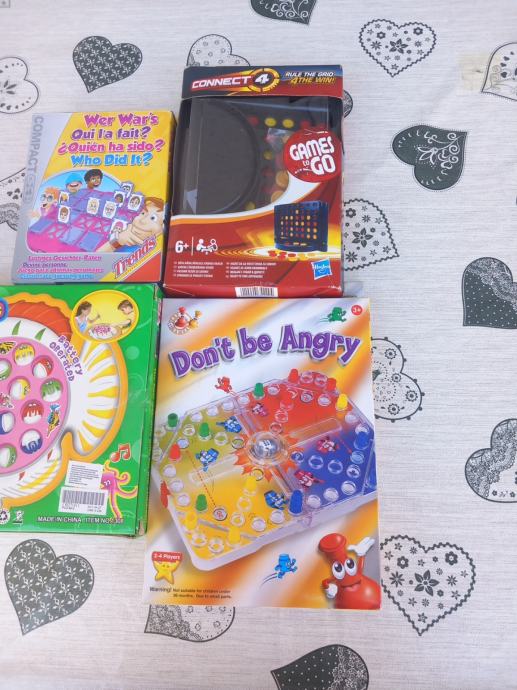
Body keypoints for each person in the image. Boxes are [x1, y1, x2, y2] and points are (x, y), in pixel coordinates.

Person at [98, 197, 165, 252]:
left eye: (153, 218)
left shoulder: (159, 250)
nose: (142, 221)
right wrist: (116, 242)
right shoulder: (122, 238)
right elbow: (96, 260)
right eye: (143, 213)